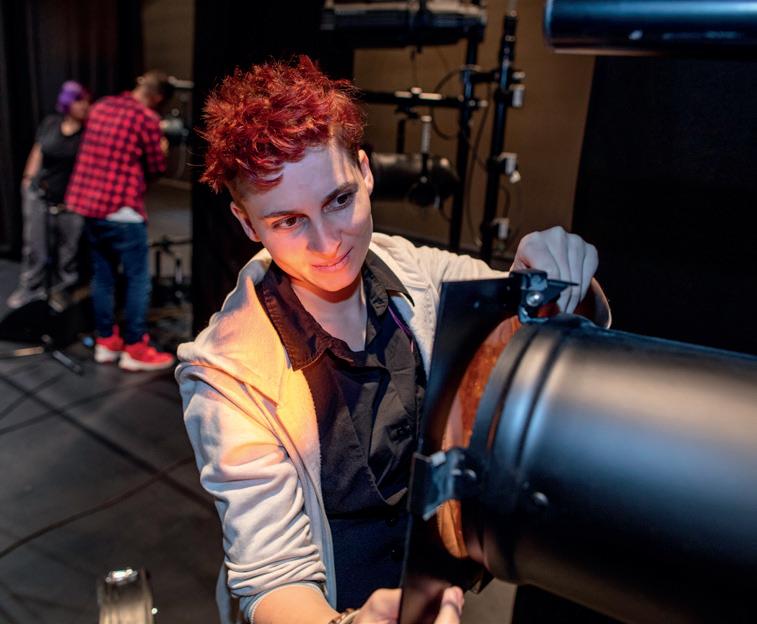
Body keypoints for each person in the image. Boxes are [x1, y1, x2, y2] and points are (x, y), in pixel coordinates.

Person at [176, 57, 603, 624]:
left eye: (339, 200)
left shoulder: (412, 270)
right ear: (248, 224)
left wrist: (560, 278)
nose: (328, 243)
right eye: (288, 222)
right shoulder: (227, 375)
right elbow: (273, 579)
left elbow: (533, 322)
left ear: (366, 172)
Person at [65, 70, 176, 371]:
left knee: (102, 276)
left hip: (90, 207)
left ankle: (105, 342)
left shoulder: (101, 106)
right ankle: (135, 348)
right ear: (158, 97)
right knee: (138, 279)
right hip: (121, 210)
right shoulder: (146, 118)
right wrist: (163, 148)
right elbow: (156, 166)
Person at [7, 80, 91, 309]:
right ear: (68, 103)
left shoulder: (89, 133)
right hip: (40, 196)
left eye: (87, 101)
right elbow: (38, 151)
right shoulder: (51, 123)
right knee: (35, 247)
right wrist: (27, 180)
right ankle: (30, 288)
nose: (84, 106)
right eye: (79, 101)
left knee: (69, 252)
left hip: (71, 202)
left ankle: (65, 293)